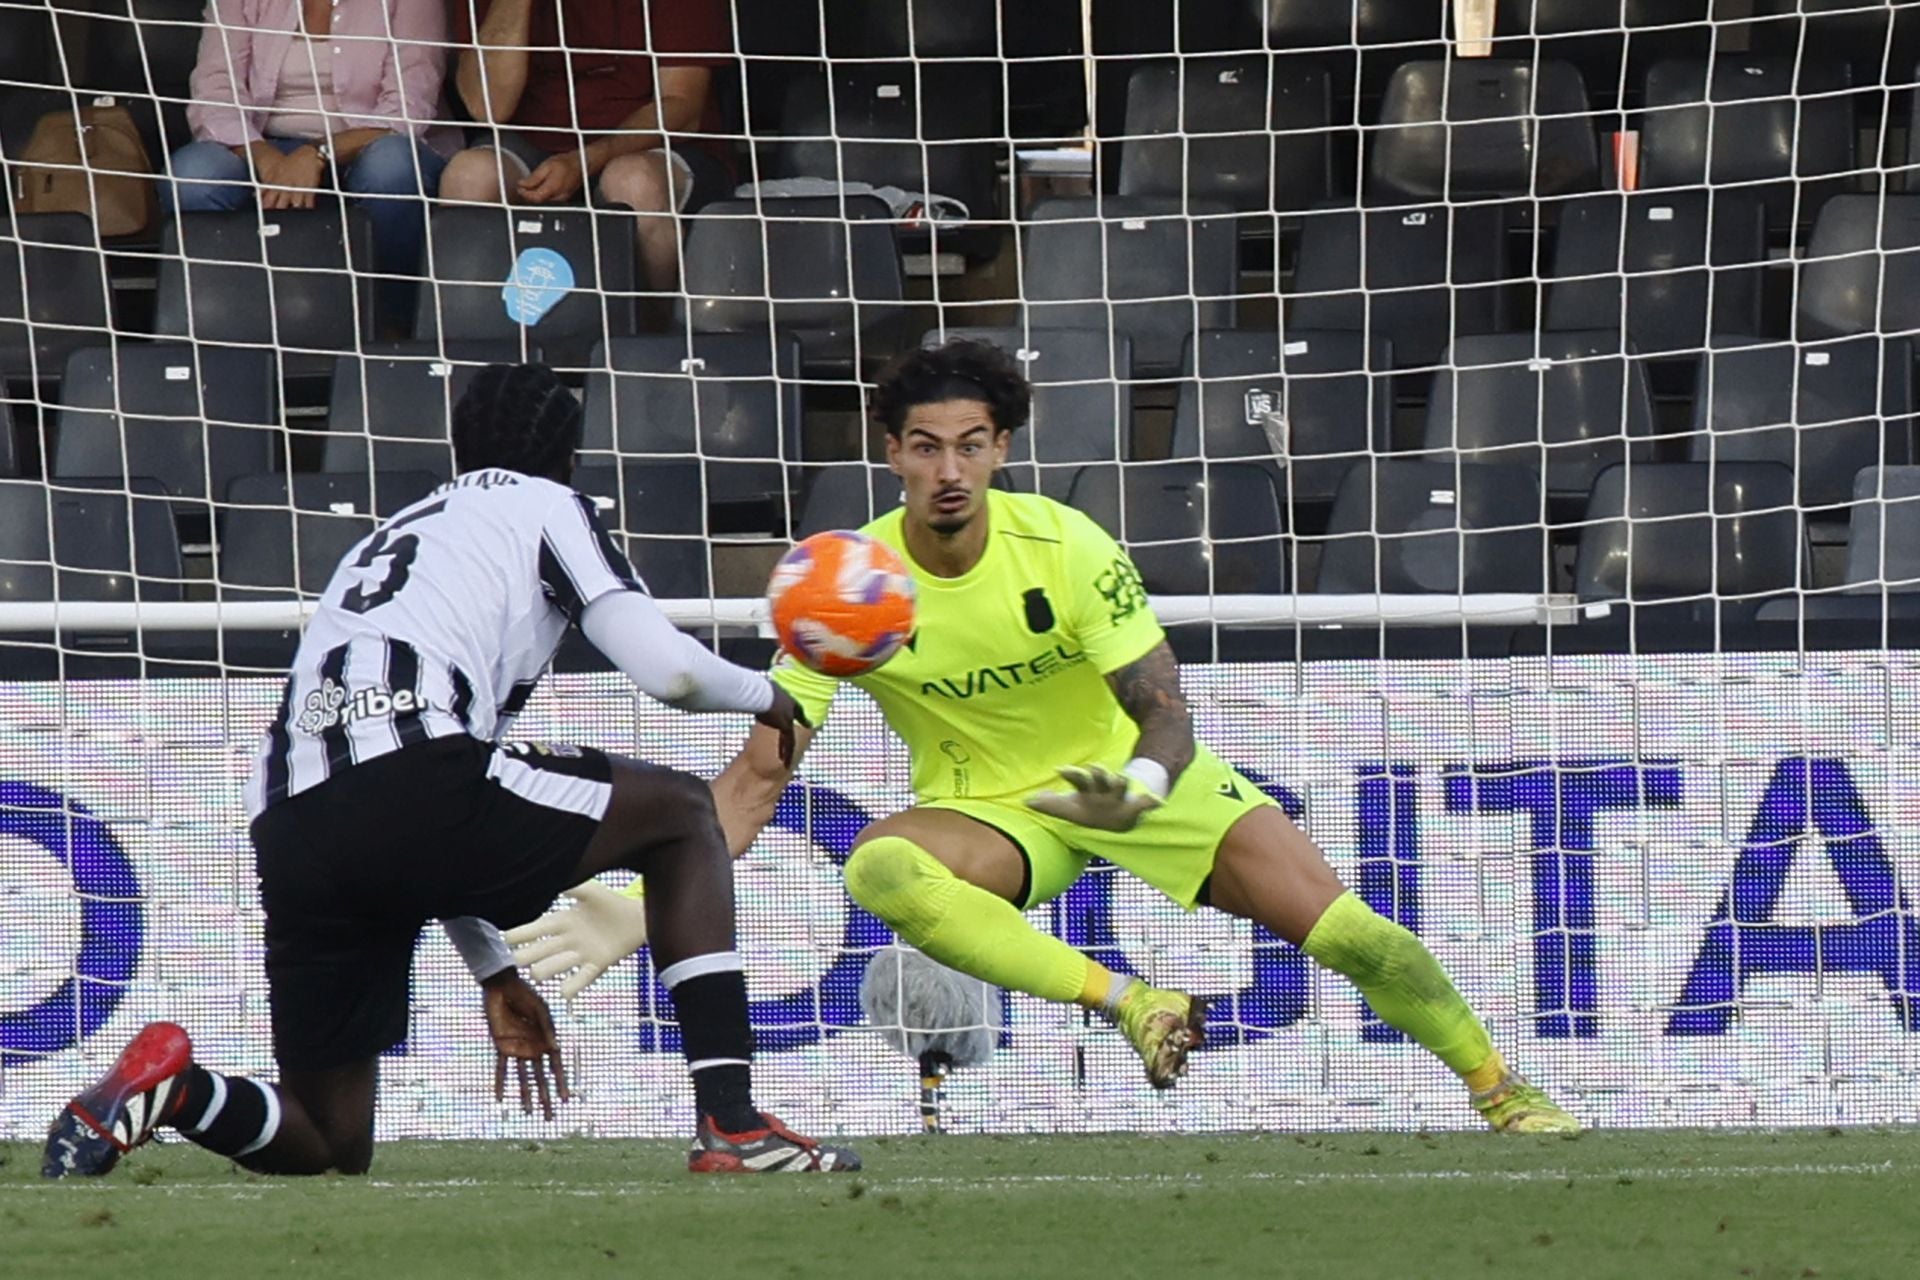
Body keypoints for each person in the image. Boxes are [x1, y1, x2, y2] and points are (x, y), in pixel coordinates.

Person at [509, 339, 1582, 1135]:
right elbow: (761, 770)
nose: (949, 470)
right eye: (925, 446)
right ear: (892, 453)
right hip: (992, 810)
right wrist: (654, 898)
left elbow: (1166, 708)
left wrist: (1143, 784)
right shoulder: (847, 586)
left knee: (1359, 938)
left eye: (971, 445)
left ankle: (1502, 1089)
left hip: (1134, 781)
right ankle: (1132, 1001)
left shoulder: (1066, 544)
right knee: (882, 863)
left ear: (1001, 447)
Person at [42, 363, 858, 1179]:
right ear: (570, 459)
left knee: (329, 1136)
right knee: (682, 813)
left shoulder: (387, 537)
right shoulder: (545, 505)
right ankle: (732, 1123)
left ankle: (174, 1091)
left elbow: (438, 816)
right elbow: (668, 673)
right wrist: (770, 694)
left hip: (293, 823)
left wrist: (496, 971)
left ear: (459, 449)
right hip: (413, 776)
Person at [172, 0, 458, 322]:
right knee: (194, 175)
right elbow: (215, 90)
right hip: (263, 142)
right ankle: (220, 322)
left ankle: (390, 323)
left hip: (371, 141)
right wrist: (265, 157)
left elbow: (408, 107)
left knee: (391, 169)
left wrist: (315, 154)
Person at [442, 0, 734, 313]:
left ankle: (653, 344)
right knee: (469, 176)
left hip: (650, 146)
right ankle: (472, 344)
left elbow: (681, 105)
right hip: (533, 141)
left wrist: (589, 158)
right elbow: (487, 107)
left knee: (634, 182)